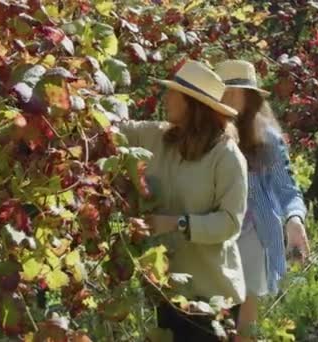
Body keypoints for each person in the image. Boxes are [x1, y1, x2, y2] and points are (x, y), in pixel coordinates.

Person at [117, 60, 248, 341]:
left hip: (211, 296)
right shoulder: (157, 137)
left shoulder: (226, 156)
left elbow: (230, 223)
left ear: (191, 104)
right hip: (168, 291)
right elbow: (115, 130)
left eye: (173, 93)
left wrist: (177, 223)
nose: (167, 98)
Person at [216, 60, 310, 341]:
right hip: (209, 237)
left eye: (238, 91)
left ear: (251, 96)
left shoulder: (267, 139)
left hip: (251, 238)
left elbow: (287, 189)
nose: (231, 98)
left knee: (244, 326)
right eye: (225, 91)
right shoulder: (203, 137)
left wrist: (294, 220)